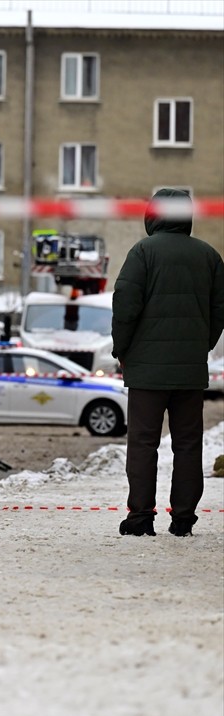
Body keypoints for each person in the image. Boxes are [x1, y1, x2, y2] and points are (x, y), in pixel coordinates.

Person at [111, 188, 224, 537]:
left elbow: (125, 305)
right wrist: (199, 346)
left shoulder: (143, 252)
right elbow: (219, 311)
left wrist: (122, 350)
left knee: (143, 443)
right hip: (190, 371)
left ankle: (141, 517)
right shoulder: (208, 256)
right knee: (188, 444)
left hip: (146, 372)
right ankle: (184, 519)